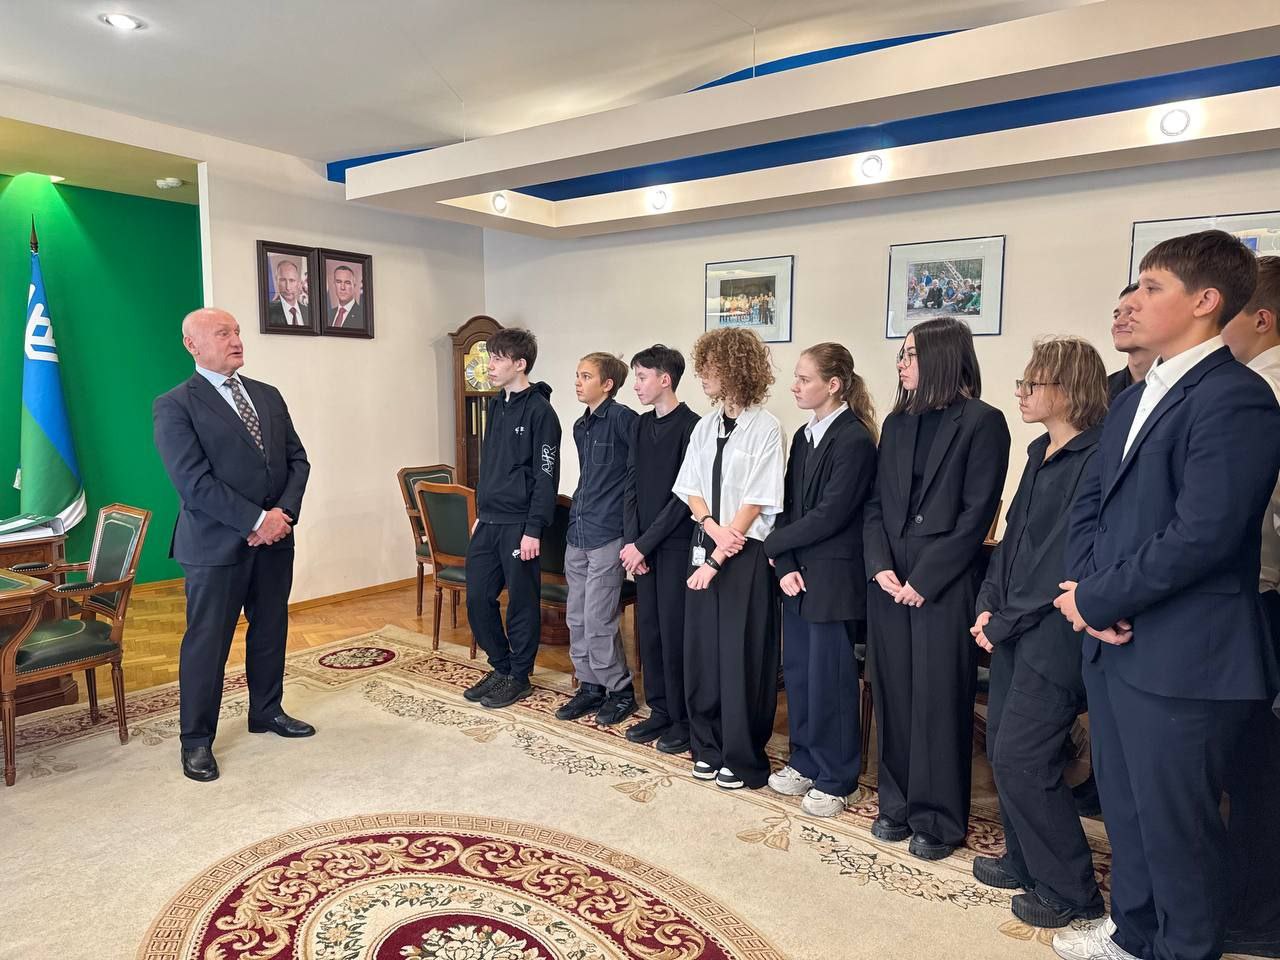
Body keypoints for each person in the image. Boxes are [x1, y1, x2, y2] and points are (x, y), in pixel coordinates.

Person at [1054, 231, 1280, 960]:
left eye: (1153, 287)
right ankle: (1134, 933)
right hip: (1115, 640)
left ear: (1206, 301)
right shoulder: (1131, 399)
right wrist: (1086, 594)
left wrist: (1100, 600)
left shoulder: (1237, 398)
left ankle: (1184, 948)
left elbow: (1204, 534)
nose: (1134, 301)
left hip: (1185, 652)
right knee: (1127, 811)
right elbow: (1089, 508)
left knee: (1178, 826)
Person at [970, 337, 1108, 928]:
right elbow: (1012, 543)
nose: (1022, 393)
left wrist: (1003, 619)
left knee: (1025, 758)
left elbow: (1059, 560)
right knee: (1003, 746)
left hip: (1054, 633)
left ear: (1070, 390)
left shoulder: (1095, 457)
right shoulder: (1038, 451)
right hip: (1014, 625)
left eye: (1033, 384)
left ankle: (1072, 890)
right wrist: (987, 604)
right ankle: (1024, 861)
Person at [864, 316, 1010, 860]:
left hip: (942, 583)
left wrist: (924, 579)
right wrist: (879, 565)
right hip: (889, 580)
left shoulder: (984, 422)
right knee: (894, 695)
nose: (901, 364)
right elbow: (875, 505)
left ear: (942, 358)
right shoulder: (897, 422)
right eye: (901, 355)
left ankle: (939, 818)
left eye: (910, 354)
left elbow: (977, 517)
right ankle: (896, 803)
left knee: (937, 701)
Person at [152, 308, 312, 783]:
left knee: (270, 629)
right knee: (208, 643)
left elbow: (297, 460)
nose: (236, 340)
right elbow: (193, 481)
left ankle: (267, 711)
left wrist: (281, 516)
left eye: (237, 331)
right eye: (223, 333)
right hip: (214, 545)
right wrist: (256, 520)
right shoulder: (175, 404)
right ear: (192, 345)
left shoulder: (267, 395)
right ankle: (196, 741)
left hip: (275, 540)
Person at [763, 343, 878, 816]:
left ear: (833, 385)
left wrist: (771, 545)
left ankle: (838, 777)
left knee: (831, 680)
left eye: (804, 378)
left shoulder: (855, 439)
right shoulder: (804, 435)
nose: (794, 386)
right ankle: (805, 760)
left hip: (833, 579)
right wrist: (785, 562)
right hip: (797, 576)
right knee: (801, 675)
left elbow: (832, 514)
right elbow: (790, 505)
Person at [673, 327, 785, 790]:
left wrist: (721, 550)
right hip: (708, 543)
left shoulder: (767, 427)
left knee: (741, 655)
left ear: (736, 369)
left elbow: (758, 498)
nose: (702, 376)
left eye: (710, 368)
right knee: (703, 652)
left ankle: (741, 755)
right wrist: (711, 528)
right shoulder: (705, 426)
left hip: (745, 554)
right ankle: (707, 745)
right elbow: (691, 486)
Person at [1220, 254, 1280, 958]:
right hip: (1257, 591)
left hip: (1262, 595)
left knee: (1259, 769)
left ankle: (1257, 918)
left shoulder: (1260, 389)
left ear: (1260, 319)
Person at [463, 327, 562, 710]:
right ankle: (501, 666)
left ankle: (519, 676)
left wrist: (533, 528)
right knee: (477, 597)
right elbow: (489, 463)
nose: (490, 365)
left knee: (522, 602)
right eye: (490, 357)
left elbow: (546, 475)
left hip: (521, 524)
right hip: (489, 520)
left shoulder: (541, 412)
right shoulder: (495, 405)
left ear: (520, 364)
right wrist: (481, 512)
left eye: (498, 358)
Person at [621, 345, 701, 753]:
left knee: (674, 633)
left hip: (675, 545)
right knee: (648, 630)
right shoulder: (639, 425)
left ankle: (683, 719)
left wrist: (646, 543)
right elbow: (631, 482)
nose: (636, 385)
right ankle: (660, 709)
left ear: (665, 379)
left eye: (642, 377)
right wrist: (632, 542)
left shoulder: (692, 426)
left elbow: (685, 497)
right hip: (642, 546)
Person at [556, 352, 639, 726]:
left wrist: (632, 535)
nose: (578, 381)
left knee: (598, 618)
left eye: (586, 376)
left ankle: (620, 691)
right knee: (576, 616)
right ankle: (589, 686)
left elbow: (635, 478)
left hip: (608, 534)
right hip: (578, 531)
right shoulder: (580, 425)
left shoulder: (624, 420)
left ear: (607, 384)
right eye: (577, 375)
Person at [1106, 283, 1154, 405]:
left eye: (1131, 313)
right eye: (1116, 316)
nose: (1118, 323)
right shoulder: (1101, 391)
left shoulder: (1187, 385)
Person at [267, 259, 307, 327]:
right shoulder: (268, 311)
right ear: (276, 281)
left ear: (299, 283)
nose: (288, 287)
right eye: (283, 280)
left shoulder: (308, 312)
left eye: (292, 280)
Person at [327, 265, 365, 329]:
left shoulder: (363, 315)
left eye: (347, 283)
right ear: (334, 285)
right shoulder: (328, 315)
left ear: (354, 286)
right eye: (338, 282)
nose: (342, 287)